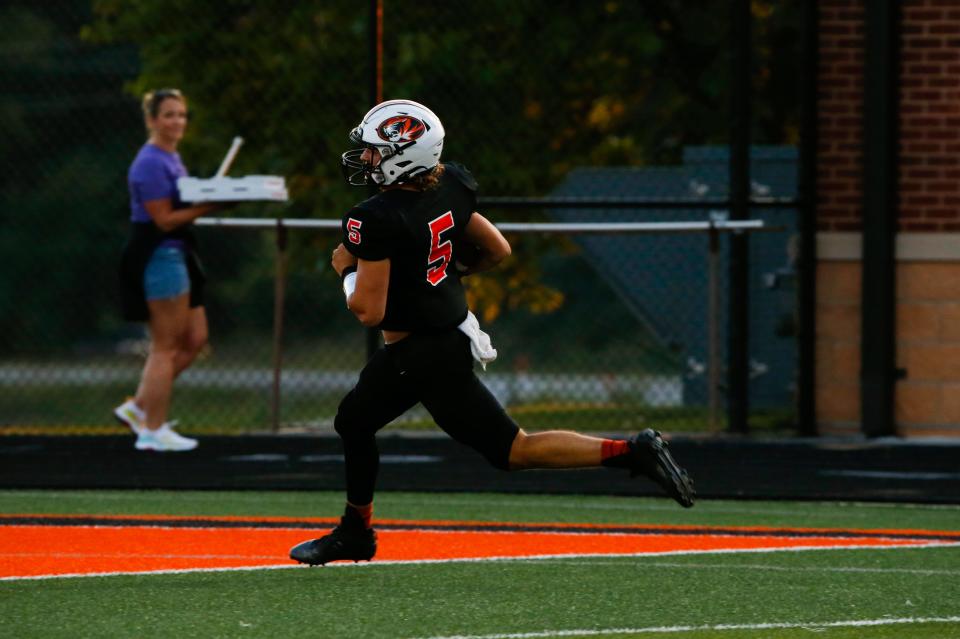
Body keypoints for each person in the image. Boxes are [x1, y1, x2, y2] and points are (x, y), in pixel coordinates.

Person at [289, 100, 695, 566]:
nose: (366, 159)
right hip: (448, 339)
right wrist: (444, 275)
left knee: (500, 448)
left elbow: (368, 310)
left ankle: (356, 533)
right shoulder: (452, 184)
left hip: (420, 354)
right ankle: (355, 531)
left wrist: (345, 271)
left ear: (404, 154)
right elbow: (497, 250)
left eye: (375, 151)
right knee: (372, 424)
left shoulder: (373, 217)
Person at [113, 88, 222, 452]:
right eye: (169, 114)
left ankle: (139, 406)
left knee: (195, 339)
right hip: (160, 256)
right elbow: (162, 220)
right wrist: (211, 204)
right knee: (165, 346)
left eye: (182, 114)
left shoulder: (171, 157)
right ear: (151, 120)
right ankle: (151, 430)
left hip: (179, 254)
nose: (177, 121)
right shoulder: (149, 163)